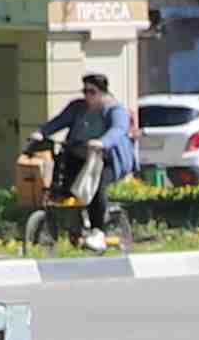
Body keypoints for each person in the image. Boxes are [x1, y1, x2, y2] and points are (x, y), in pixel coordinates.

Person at [28, 75, 127, 253]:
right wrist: (42, 133)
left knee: (95, 188)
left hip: (104, 160)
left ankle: (98, 231)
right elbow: (59, 121)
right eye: (85, 91)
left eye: (92, 92)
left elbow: (118, 129)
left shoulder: (114, 110)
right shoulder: (78, 107)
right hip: (78, 155)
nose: (87, 95)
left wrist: (103, 142)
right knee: (63, 187)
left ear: (103, 93)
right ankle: (74, 225)